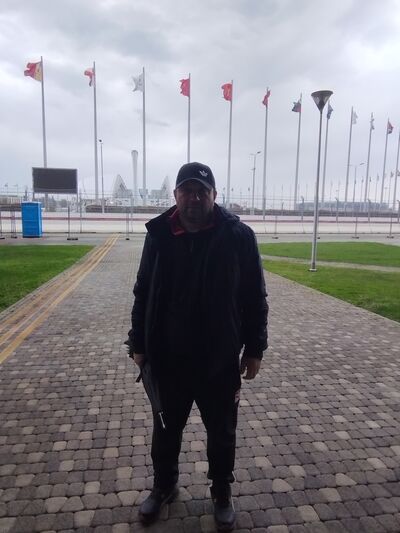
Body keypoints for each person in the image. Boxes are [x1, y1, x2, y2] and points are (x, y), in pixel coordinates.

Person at [126, 161, 268, 531]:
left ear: (214, 195)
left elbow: (255, 296)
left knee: (222, 432)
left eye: (201, 191)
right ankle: (164, 485)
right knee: (165, 429)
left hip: (218, 359)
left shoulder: (238, 236)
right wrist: (138, 344)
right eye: (187, 190)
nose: (194, 197)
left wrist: (255, 349)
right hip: (167, 358)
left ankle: (221, 490)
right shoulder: (158, 235)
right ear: (175, 195)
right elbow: (143, 290)